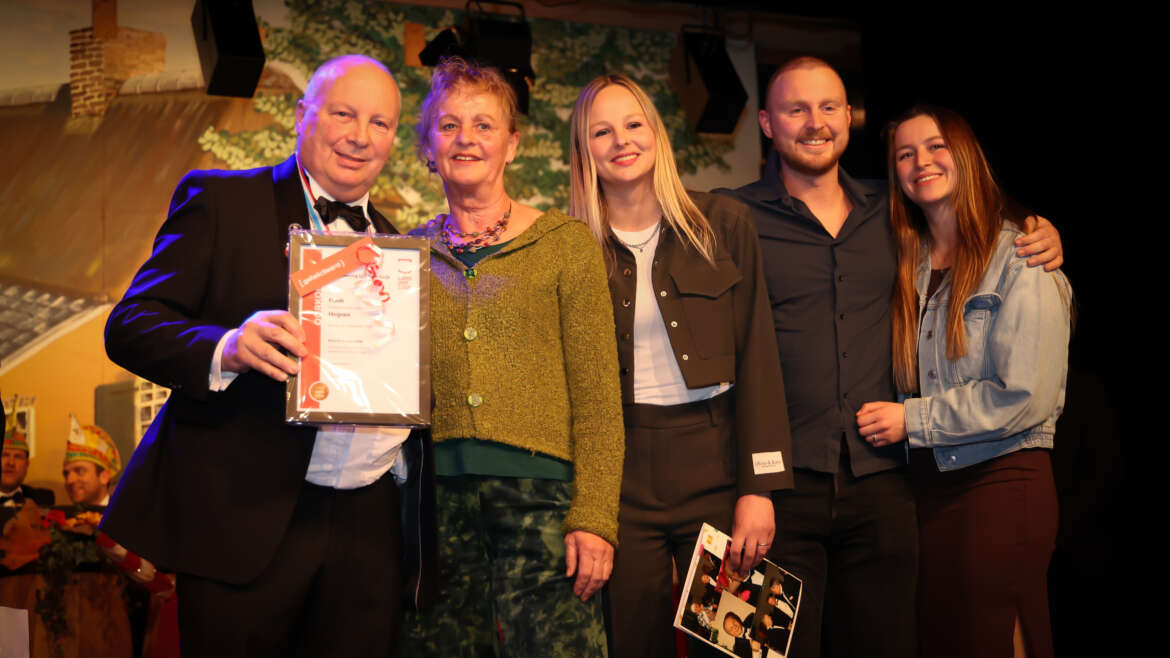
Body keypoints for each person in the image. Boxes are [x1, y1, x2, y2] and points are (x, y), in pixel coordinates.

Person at [713, 56, 1064, 657]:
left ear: (848, 117)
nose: (815, 122)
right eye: (797, 109)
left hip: (886, 489)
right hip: (772, 493)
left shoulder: (894, 212)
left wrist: (1040, 229)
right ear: (767, 123)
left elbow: (976, 230)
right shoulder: (728, 215)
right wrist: (749, 486)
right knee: (753, 651)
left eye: (829, 107)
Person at [101, 54, 435, 658]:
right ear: (304, 114)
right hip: (246, 520)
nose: (361, 136)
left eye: (380, 123)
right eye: (344, 114)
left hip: (369, 530)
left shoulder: (399, 249)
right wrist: (226, 346)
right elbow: (130, 325)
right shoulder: (222, 201)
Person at [398, 57, 623, 657]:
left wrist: (595, 516)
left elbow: (599, 397)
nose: (465, 138)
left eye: (484, 125)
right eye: (448, 125)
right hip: (436, 507)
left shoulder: (566, 244)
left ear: (512, 144)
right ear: (427, 146)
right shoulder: (401, 256)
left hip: (545, 506)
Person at [569, 73, 793, 658]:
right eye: (601, 131)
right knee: (633, 645)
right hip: (619, 478)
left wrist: (760, 488)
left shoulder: (723, 223)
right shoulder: (570, 245)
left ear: (657, 132)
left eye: (633, 124)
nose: (622, 140)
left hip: (716, 467)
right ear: (583, 149)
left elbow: (759, 356)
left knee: (739, 647)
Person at [856, 106, 1069, 658]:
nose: (921, 162)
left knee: (995, 636)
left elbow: (1025, 396)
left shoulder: (1020, 254)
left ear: (966, 154)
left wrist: (910, 419)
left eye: (935, 146)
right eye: (905, 154)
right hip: (930, 488)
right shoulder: (908, 261)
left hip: (1002, 480)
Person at [62, 417, 120, 506]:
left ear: (104, 477)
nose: (70, 480)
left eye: (80, 471)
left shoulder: (125, 513)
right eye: (66, 474)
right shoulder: (60, 514)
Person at [1, 415, 55, 508]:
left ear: (27, 465)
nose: (11, 463)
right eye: (4, 455)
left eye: (18, 457)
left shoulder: (44, 499)